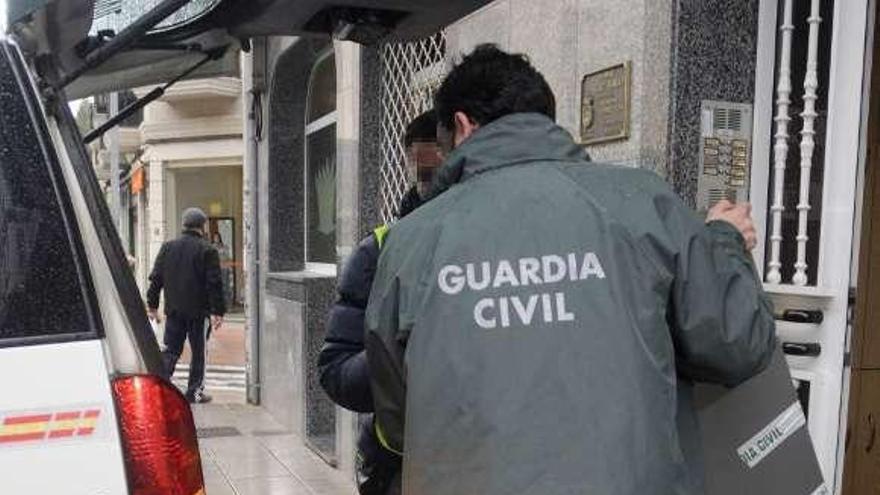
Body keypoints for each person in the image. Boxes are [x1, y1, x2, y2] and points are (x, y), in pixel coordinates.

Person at [364, 45, 776, 495]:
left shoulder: (411, 239)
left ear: (461, 127)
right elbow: (737, 342)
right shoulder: (646, 203)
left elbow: (400, 418)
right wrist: (724, 238)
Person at [318, 110, 441, 495]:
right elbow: (336, 373)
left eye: (442, 176)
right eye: (424, 177)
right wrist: (397, 347)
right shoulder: (381, 250)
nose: (432, 190)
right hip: (401, 465)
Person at [147, 207, 226, 404]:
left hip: (174, 310)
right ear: (202, 226)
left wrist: (152, 305)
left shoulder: (168, 247)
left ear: (184, 225)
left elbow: (156, 278)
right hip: (199, 313)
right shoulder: (208, 250)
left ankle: (160, 387)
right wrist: (218, 311)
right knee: (199, 352)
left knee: (171, 350)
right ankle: (194, 392)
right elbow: (214, 283)